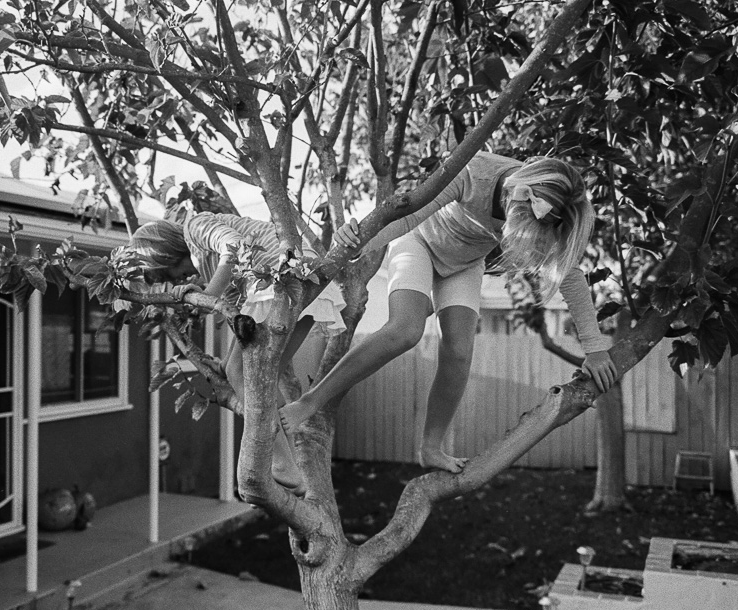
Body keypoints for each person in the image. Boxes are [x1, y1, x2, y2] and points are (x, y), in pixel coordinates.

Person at [279, 152, 618, 473]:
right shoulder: (474, 170)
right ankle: (311, 401)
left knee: (458, 351)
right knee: (406, 330)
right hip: (419, 242)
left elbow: (569, 275)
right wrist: (356, 245)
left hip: (465, 264)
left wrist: (596, 349)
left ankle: (430, 448)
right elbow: (410, 215)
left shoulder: (550, 206)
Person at [128, 212, 347, 495]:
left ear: (166, 253)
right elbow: (240, 310)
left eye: (168, 274)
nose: (177, 280)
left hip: (280, 279)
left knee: (242, 374)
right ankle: (286, 452)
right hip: (306, 283)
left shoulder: (195, 227)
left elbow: (234, 247)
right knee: (258, 374)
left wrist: (207, 295)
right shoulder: (205, 260)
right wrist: (226, 354)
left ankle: (282, 463)